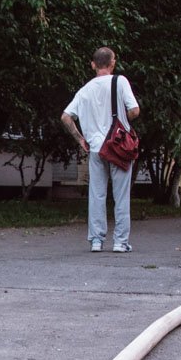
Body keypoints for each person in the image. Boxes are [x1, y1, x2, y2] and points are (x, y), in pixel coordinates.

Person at [60, 47, 140, 253]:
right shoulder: (120, 82)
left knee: (97, 195)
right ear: (113, 63)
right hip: (118, 147)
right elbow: (134, 110)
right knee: (121, 195)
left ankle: (96, 240)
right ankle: (120, 243)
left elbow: (66, 117)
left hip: (95, 149)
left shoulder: (84, 90)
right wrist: (121, 120)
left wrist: (80, 140)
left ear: (93, 64)